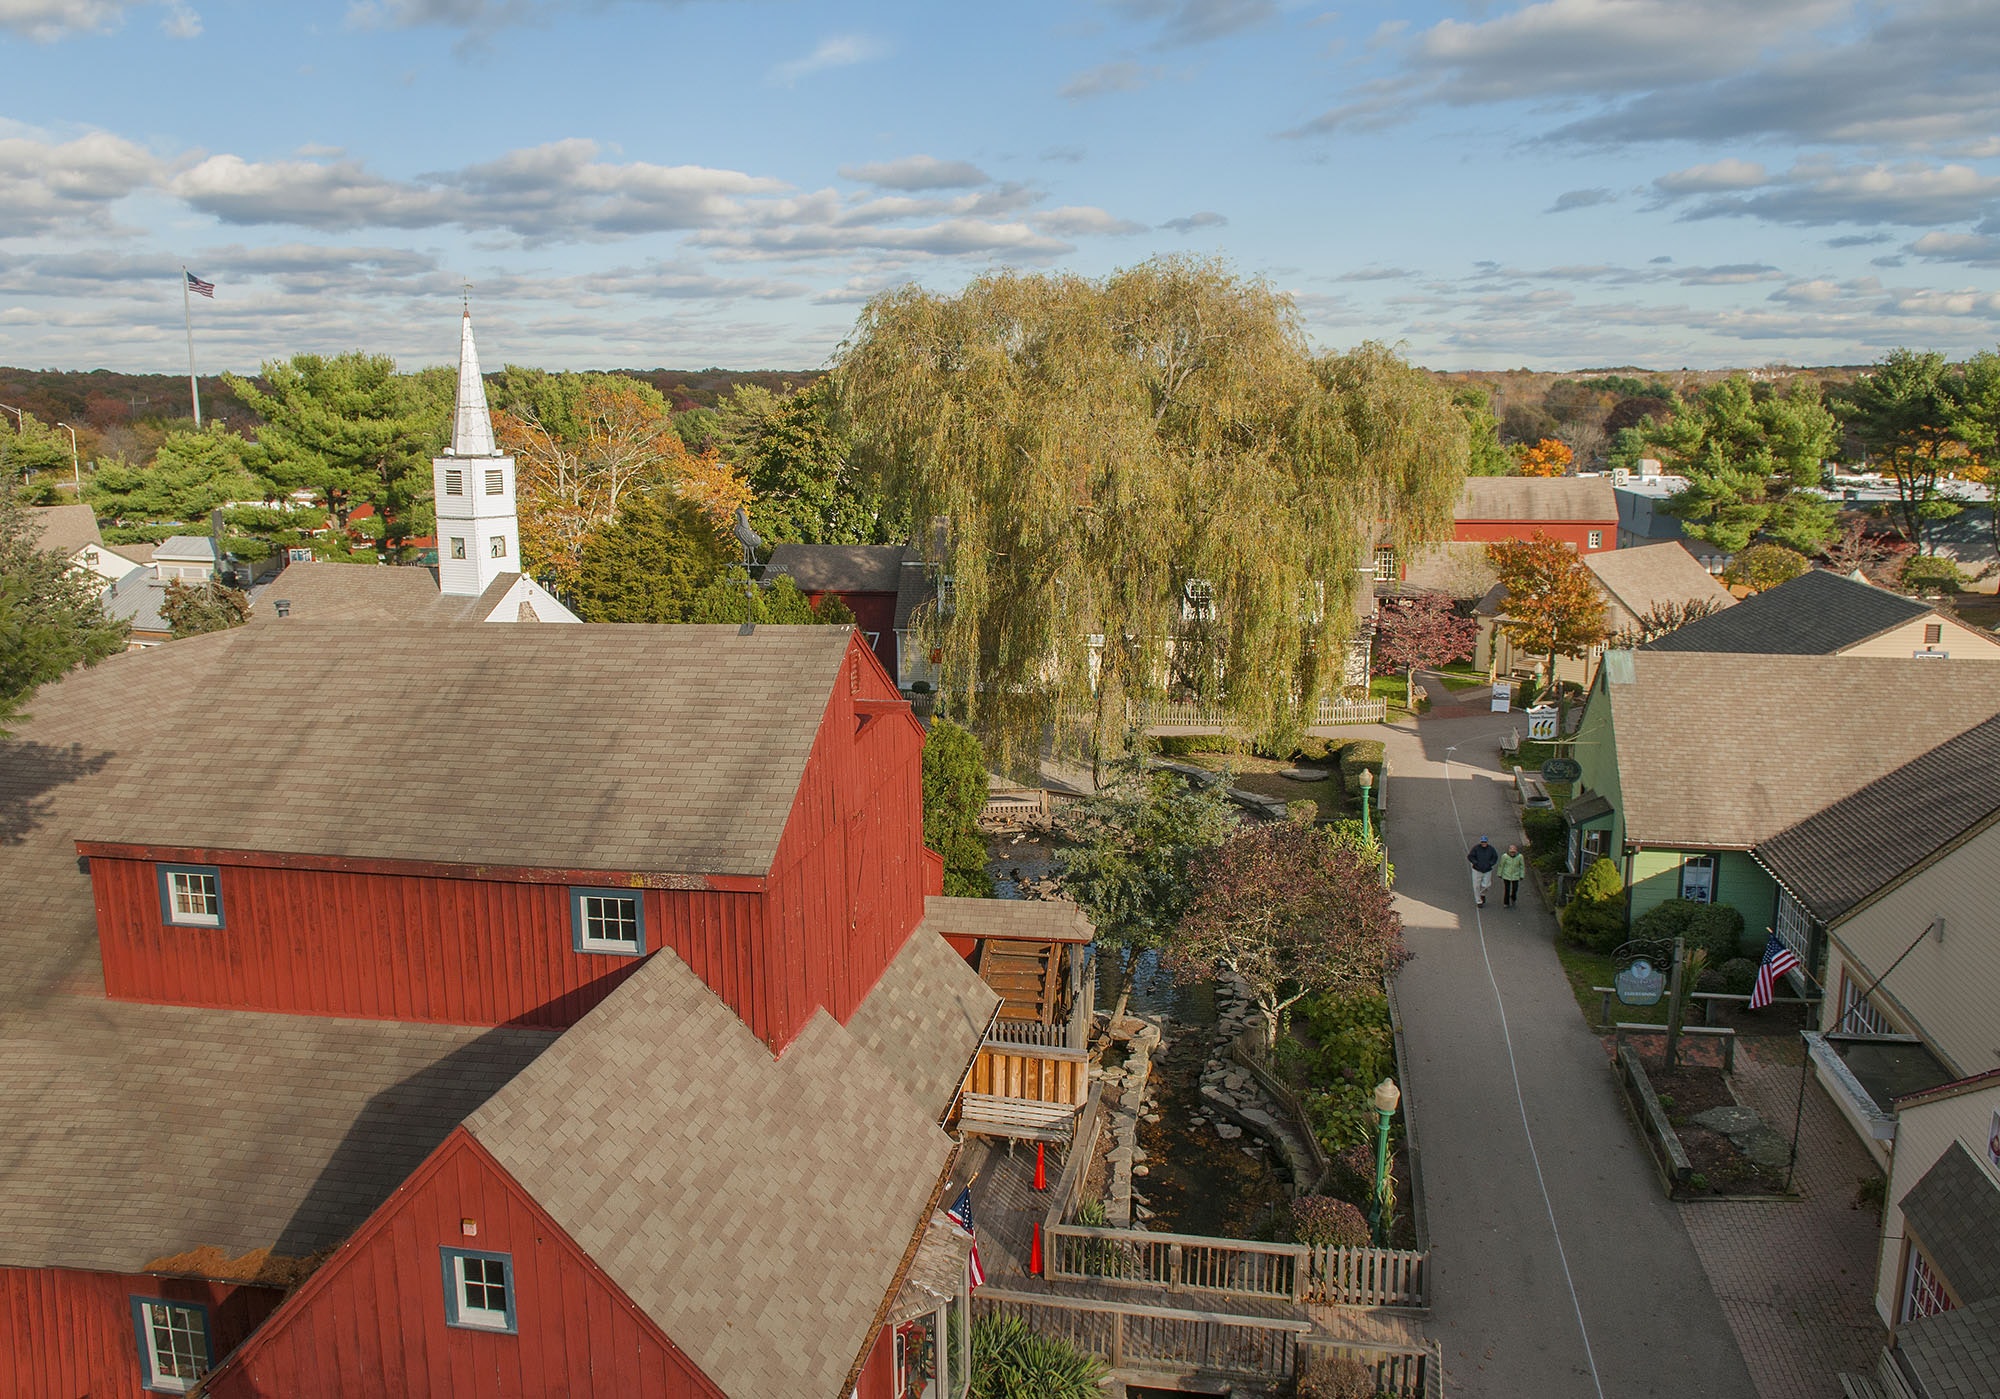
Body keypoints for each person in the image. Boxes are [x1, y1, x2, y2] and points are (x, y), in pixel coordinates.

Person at [1467, 837, 1499, 907]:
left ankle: (1482, 894)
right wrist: (1475, 862)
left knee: (1487, 885)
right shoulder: (1476, 848)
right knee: (1476, 886)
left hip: (1487, 870)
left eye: (1485, 842)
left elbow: (1495, 857)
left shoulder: (1491, 849)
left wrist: (1490, 863)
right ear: (1480, 842)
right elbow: (1470, 856)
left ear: (1487, 842)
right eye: (1482, 842)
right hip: (1477, 870)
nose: (1483, 843)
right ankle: (1479, 901)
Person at [1498, 843, 1527, 908]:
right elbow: (1501, 865)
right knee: (1507, 889)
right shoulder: (1504, 856)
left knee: (1515, 888)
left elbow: (1522, 866)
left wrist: (1522, 875)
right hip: (1506, 875)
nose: (1512, 853)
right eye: (1511, 852)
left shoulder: (1520, 857)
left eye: (1514, 852)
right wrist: (1499, 873)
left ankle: (1513, 898)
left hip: (1516, 876)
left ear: (1516, 851)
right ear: (1508, 851)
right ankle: (1506, 902)